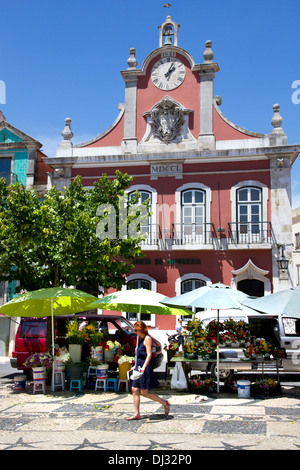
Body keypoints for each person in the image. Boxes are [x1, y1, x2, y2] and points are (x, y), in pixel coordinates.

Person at [127, 320, 170, 420]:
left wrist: (143, 367)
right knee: (134, 389)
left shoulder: (147, 339)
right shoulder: (140, 340)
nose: (135, 332)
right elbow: (139, 356)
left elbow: (149, 354)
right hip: (139, 367)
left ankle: (164, 402)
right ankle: (136, 413)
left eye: (136, 330)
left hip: (144, 368)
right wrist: (135, 365)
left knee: (144, 392)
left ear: (141, 330)